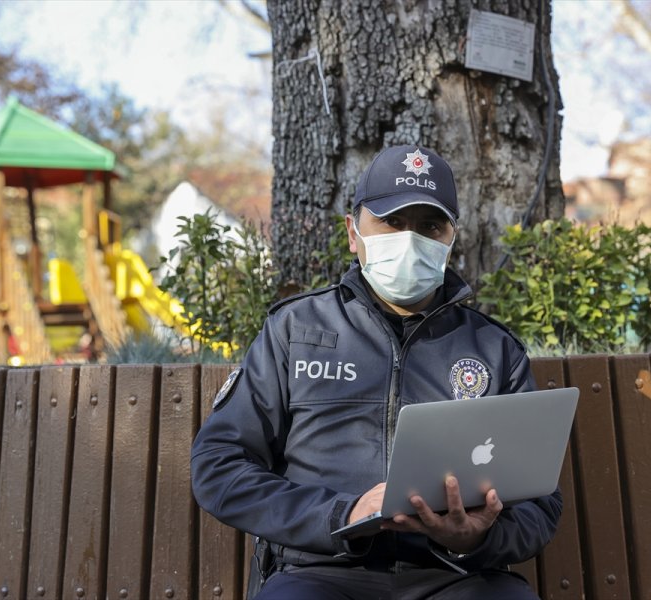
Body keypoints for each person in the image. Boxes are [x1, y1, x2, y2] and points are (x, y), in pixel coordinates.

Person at [191, 145, 562, 599]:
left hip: (458, 576)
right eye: (392, 221)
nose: (410, 239)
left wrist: (478, 538)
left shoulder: (493, 348)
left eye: (430, 226)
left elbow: (539, 502)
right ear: (353, 232)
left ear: (451, 239)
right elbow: (219, 465)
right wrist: (340, 515)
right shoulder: (295, 329)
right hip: (320, 571)